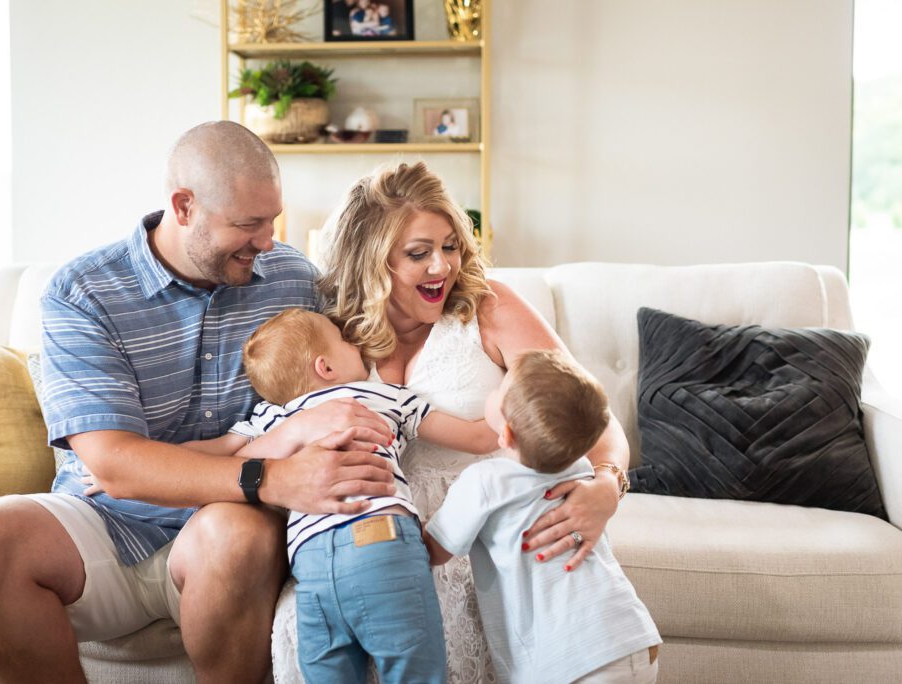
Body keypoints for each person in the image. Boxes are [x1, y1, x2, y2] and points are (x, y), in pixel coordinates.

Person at [0, 121, 397, 683]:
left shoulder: (292, 280)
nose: (267, 240)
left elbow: (375, 347)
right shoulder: (83, 292)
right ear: (184, 206)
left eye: (272, 219)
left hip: (228, 532)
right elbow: (114, 464)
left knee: (234, 535)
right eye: (248, 224)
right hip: (105, 521)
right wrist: (270, 477)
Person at [313, 161, 632, 680]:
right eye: (418, 253)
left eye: (451, 245)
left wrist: (607, 487)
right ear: (372, 261)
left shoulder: (489, 308)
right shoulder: (332, 335)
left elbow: (591, 417)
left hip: (491, 531)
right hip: (390, 537)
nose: (442, 267)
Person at [231, 308, 498, 682]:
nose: (354, 343)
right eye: (344, 340)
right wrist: (512, 397)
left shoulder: (273, 417)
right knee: (413, 670)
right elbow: (479, 437)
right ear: (325, 367)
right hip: (381, 541)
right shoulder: (385, 395)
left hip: (309, 557)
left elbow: (230, 463)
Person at [424, 349, 661, 683]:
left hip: (573, 661)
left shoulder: (486, 482)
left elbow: (433, 548)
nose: (493, 391)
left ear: (506, 434)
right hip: (632, 637)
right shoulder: (581, 471)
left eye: (500, 388)